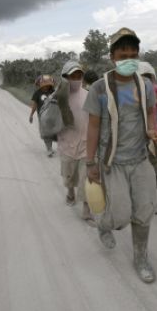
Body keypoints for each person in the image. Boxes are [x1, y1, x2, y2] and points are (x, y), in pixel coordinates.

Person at [83, 27, 157, 283]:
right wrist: (90, 162)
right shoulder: (99, 88)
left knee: (144, 210)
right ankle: (104, 224)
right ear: (112, 56)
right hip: (113, 162)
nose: (129, 59)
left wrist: (153, 131)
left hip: (140, 159)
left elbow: (151, 112)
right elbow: (93, 126)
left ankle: (141, 258)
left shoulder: (146, 85)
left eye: (133, 54)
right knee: (120, 215)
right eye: (123, 54)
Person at [56, 61, 93, 221]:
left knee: (87, 179)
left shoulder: (89, 95)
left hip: (86, 144)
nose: (76, 78)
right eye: (72, 76)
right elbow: (49, 121)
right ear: (65, 77)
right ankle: (70, 192)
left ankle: (86, 210)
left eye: (79, 75)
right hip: (66, 144)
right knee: (69, 176)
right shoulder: (57, 97)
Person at [137, 62, 157, 186]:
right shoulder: (155, 88)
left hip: (139, 134)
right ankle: (152, 188)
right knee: (156, 161)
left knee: (143, 163)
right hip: (156, 134)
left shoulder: (133, 89)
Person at [29, 74, 56, 157]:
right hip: (42, 116)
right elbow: (34, 105)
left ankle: (52, 146)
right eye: (44, 85)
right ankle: (49, 149)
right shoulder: (37, 93)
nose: (46, 87)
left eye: (47, 85)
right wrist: (31, 115)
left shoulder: (53, 92)